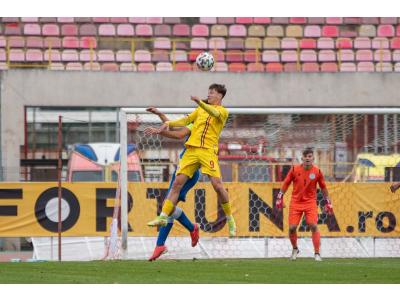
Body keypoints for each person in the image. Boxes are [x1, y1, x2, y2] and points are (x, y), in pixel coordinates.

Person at [147, 83, 236, 236]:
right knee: (176, 183)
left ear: (220, 96)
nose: (209, 95)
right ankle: (162, 217)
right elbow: (184, 121)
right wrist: (166, 123)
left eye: (212, 93)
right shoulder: (200, 110)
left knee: (217, 186)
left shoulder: (222, 112)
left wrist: (199, 102)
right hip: (191, 151)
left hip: (208, 152)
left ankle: (229, 218)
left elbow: (213, 113)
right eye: (208, 92)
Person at [144, 107, 200, 261]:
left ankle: (160, 245)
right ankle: (191, 228)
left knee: (167, 206)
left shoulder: (199, 125)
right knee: (169, 206)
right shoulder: (196, 123)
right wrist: (160, 115)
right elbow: (175, 126)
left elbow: (179, 133)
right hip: (183, 167)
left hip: (189, 171)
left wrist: (158, 131)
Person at [275, 148, 333, 261]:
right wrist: (279, 197)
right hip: (295, 202)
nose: (307, 158)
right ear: (302, 158)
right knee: (292, 228)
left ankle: (317, 254)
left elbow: (323, 188)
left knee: (313, 225)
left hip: (310, 203)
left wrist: (328, 202)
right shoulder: (294, 169)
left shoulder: (317, 172)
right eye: (305, 156)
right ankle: (295, 249)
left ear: (313, 158)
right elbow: (286, 183)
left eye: (310, 156)